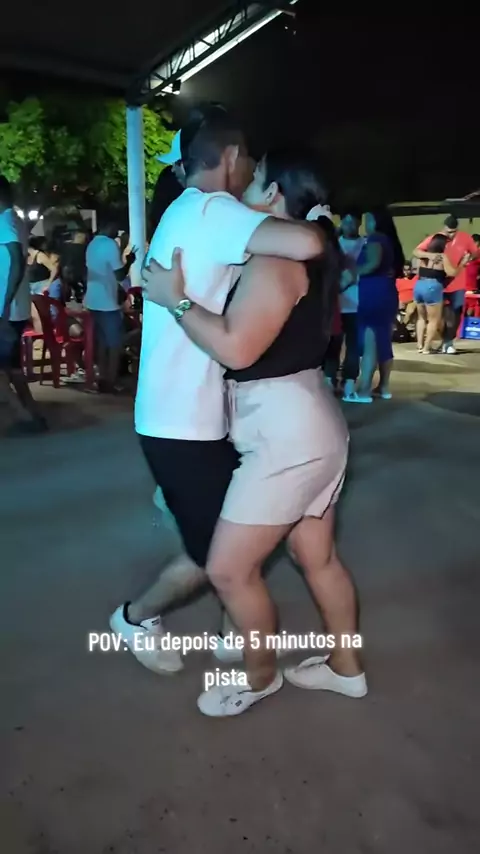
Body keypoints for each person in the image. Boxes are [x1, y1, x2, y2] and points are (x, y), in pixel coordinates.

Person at [142, 147, 366, 718]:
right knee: (317, 558)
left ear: (272, 196)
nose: (243, 186)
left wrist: (176, 301)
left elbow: (236, 348)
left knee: (227, 569)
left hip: (284, 434)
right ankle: (346, 669)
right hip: (312, 423)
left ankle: (259, 677)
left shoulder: (274, 262)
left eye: (257, 179)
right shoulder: (300, 256)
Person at [110, 105, 328, 676]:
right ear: (231, 157)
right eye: (250, 161)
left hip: (189, 413)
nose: (253, 172)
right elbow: (306, 244)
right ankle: (135, 618)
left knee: (234, 535)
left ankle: (234, 633)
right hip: (181, 421)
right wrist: (318, 218)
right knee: (219, 556)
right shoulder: (213, 209)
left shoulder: (190, 211)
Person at [0, 176, 47, 435]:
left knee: (5, 367)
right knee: (13, 366)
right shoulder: (15, 220)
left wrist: (5, 304)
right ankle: (32, 414)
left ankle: (25, 418)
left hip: (6, 308)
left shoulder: (5, 221)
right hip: (14, 306)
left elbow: (16, 260)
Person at [354, 206, 404, 402]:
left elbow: (372, 264)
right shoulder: (390, 241)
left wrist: (351, 271)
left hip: (373, 293)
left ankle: (364, 389)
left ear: (376, 221)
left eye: (368, 219)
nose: (365, 224)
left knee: (370, 340)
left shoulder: (375, 239)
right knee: (382, 339)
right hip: (386, 292)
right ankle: (383, 387)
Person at [414, 215, 478, 354]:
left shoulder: (465, 238)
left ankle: (442, 343)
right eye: (449, 232)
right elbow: (417, 251)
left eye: (453, 232)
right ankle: (428, 346)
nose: (451, 235)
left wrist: (468, 259)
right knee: (436, 318)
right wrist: (431, 256)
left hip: (449, 284)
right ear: (444, 228)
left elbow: (475, 253)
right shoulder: (436, 240)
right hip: (438, 285)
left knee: (453, 314)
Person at [84, 221, 136, 393]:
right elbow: (119, 275)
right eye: (116, 228)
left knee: (102, 342)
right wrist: (129, 262)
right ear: (109, 227)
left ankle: (102, 378)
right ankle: (111, 381)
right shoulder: (110, 244)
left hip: (93, 300)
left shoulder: (92, 243)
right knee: (115, 344)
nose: (117, 232)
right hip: (107, 302)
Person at [324, 209, 364, 401]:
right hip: (336, 304)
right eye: (346, 222)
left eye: (353, 222)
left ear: (359, 223)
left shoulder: (366, 245)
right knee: (333, 344)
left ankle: (349, 382)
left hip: (357, 303)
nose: (349, 226)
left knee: (353, 346)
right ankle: (329, 380)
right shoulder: (333, 245)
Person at [412, 233, 452, 353]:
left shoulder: (423, 255)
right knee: (433, 320)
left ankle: (419, 345)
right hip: (433, 286)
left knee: (421, 318)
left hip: (419, 285)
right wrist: (462, 264)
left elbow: (416, 251)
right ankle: (426, 348)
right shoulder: (442, 257)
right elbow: (451, 272)